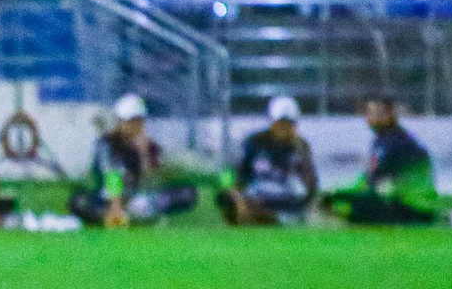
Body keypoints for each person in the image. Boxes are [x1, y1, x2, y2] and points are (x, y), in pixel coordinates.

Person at [68, 94, 199, 226]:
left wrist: (143, 154)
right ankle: (117, 216)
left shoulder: (150, 147)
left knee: (187, 193)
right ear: (120, 121)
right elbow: (110, 174)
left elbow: (152, 181)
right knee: (79, 201)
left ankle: (127, 217)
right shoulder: (107, 144)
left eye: (138, 121)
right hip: (108, 199)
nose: (135, 126)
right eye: (130, 121)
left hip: (139, 199)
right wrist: (116, 205)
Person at [322, 97, 437, 225]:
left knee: (345, 202)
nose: (369, 118)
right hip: (410, 204)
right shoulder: (388, 139)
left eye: (374, 113)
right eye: (368, 112)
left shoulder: (395, 143)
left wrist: (336, 192)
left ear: (389, 114)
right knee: (346, 199)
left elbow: (371, 181)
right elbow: (370, 179)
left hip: (411, 207)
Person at [217, 96, 318, 225]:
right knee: (228, 200)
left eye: (288, 124)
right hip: (258, 194)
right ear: (273, 122)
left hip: (287, 199)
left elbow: (310, 181)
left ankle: (269, 218)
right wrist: (235, 194)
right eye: (281, 123)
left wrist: (308, 201)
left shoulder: (300, 147)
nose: (284, 128)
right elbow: (239, 172)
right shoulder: (255, 143)